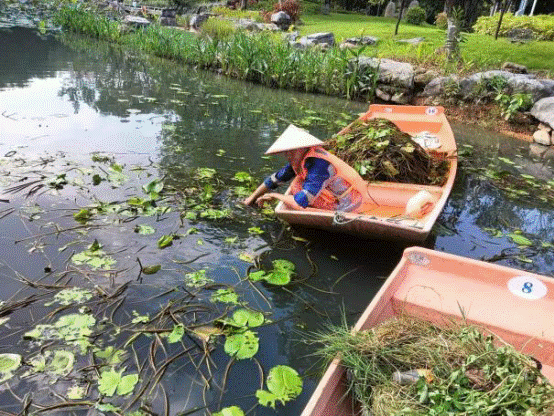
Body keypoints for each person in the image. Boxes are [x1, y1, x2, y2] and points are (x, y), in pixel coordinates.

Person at [243, 124, 374, 212]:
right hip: (336, 195)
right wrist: (250, 199)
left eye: (292, 150)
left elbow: (300, 203)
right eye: (286, 151)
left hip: (349, 203)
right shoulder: (301, 159)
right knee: (297, 183)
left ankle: (326, 207)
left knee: (297, 187)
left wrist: (274, 196)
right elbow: (275, 179)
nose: (288, 155)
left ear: (303, 148)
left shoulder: (320, 165)